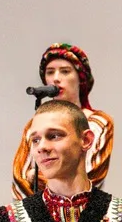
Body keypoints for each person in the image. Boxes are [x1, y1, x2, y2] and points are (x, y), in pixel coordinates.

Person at [11, 43, 112, 200]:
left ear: (80, 79)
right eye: (50, 72)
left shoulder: (98, 123)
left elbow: (90, 175)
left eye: (65, 71)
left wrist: (35, 176)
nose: (56, 78)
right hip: (34, 208)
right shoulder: (34, 125)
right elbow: (20, 175)